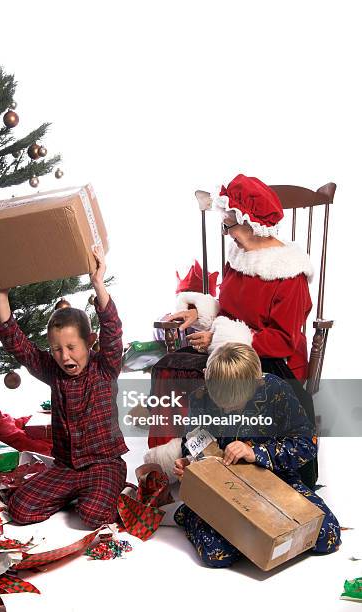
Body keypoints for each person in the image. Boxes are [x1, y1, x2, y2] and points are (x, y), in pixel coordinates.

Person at [161, 173, 318, 487]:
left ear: (252, 223)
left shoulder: (289, 274)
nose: (227, 232)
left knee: (231, 383)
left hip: (272, 358)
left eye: (229, 224)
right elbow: (231, 307)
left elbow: (283, 339)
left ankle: (231, 457)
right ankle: (179, 458)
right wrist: (199, 313)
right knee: (168, 367)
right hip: (229, 346)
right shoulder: (240, 257)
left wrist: (220, 338)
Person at [0, 246, 128, 528]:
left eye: (71, 347)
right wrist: (0, 295)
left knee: (94, 517)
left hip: (104, 465)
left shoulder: (105, 366)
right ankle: (75, 495)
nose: (64, 356)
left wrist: (98, 283)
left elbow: (112, 329)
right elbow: (21, 348)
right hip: (67, 468)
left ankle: (97, 494)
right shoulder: (53, 371)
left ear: (89, 342)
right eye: (56, 349)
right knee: (20, 510)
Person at [173, 343, 340, 568]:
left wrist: (257, 452)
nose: (227, 411)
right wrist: (190, 464)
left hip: (276, 478)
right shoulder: (200, 397)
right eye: (221, 404)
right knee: (216, 553)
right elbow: (192, 443)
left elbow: (306, 444)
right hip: (222, 487)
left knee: (327, 536)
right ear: (207, 379)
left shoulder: (276, 391)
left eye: (235, 404)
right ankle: (189, 514)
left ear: (256, 383)